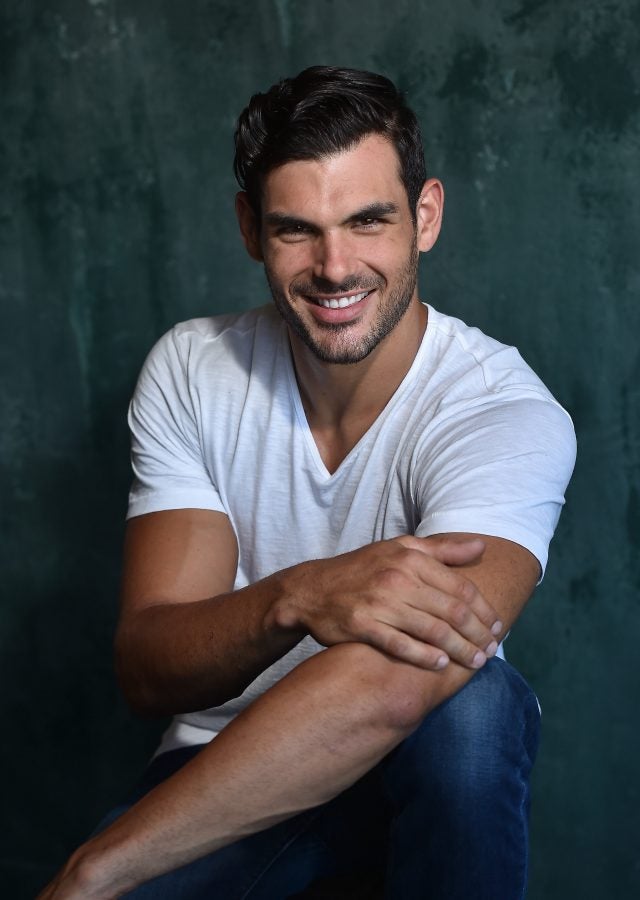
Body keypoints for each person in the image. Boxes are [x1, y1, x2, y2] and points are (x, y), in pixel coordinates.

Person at [39, 66, 576, 899]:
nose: (335, 267)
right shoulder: (194, 369)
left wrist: (95, 867)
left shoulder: (500, 411)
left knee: (475, 707)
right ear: (249, 228)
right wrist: (296, 597)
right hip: (225, 771)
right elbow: (151, 667)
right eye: (297, 230)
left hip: (409, 777)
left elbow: (406, 679)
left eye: (368, 221)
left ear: (425, 216)